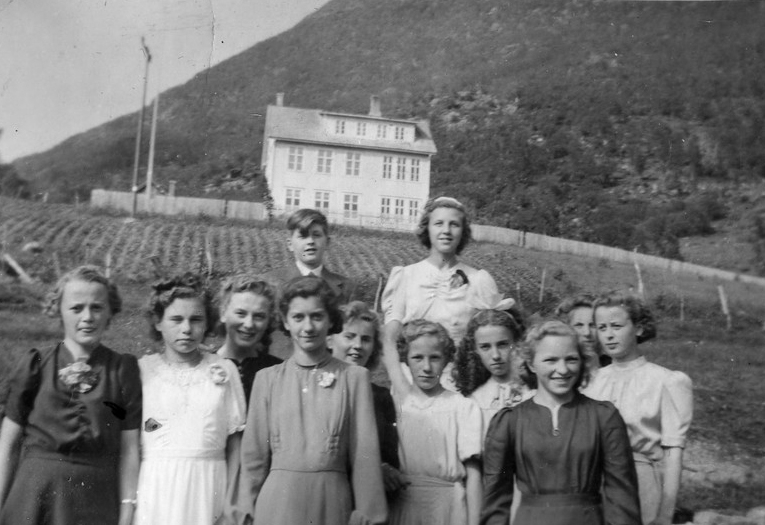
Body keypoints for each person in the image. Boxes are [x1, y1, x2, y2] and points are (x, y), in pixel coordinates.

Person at [235, 276, 386, 525]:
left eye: (317, 316)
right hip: (277, 503)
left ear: (330, 321)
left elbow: (365, 456)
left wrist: (369, 515)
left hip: (331, 500)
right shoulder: (267, 379)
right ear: (285, 321)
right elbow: (253, 459)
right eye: (298, 317)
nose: (308, 327)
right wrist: (244, 514)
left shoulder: (354, 377)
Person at [0, 265, 141, 525]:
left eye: (97, 307)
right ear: (59, 311)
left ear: (110, 312)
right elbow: (8, 444)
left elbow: (129, 449)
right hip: (34, 497)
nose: (87, 317)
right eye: (77, 308)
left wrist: (127, 510)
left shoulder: (122, 369)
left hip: (95, 501)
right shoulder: (37, 364)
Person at [481, 320, 641, 525]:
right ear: (531, 364)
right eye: (551, 360)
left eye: (571, 359)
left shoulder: (604, 417)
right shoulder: (509, 421)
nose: (563, 369)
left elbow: (622, 496)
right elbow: (495, 501)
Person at [135, 273, 246, 525]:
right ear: (157, 322)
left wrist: (229, 503)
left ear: (207, 323)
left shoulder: (224, 370)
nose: (186, 329)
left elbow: (235, 445)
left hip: (208, 486)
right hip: (156, 488)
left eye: (196, 320)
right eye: (176, 319)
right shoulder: (142, 370)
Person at [584, 291, 693, 525]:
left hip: (640, 483)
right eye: (602, 328)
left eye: (616, 326)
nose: (609, 335)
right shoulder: (591, 382)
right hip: (595, 483)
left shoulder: (666, 381)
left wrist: (665, 514)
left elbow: (673, 453)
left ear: (639, 328)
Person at [382, 196, 506, 390]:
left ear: (463, 231)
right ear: (427, 228)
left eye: (454, 224)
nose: (446, 231)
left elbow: (493, 342)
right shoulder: (406, 276)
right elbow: (389, 339)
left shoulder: (478, 279)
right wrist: (400, 386)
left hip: (460, 386)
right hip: (412, 384)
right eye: (439, 223)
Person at [382, 319, 483, 525]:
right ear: (406, 359)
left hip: (448, 507)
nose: (427, 367)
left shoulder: (463, 407)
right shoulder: (396, 406)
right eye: (417, 357)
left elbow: (473, 476)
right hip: (403, 505)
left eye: (435, 358)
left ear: (446, 360)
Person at [328, 301, 403, 495]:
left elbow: (390, 456)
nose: (358, 346)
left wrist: (385, 467)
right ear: (329, 340)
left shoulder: (380, 396)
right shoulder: (316, 388)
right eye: (349, 337)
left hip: (367, 496)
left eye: (366, 339)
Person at [264, 208, 356, 359]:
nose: (310, 241)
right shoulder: (271, 282)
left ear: (327, 242)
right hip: (279, 365)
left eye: (317, 235)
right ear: (290, 244)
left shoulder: (345, 287)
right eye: (303, 236)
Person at [453, 308, 534, 433]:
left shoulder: (533, 391)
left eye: (502, 345)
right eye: (485, 347)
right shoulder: (476, 401)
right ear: (475, 350)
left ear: (516, 342)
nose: (495, 355)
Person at [216, 274, 282, 404]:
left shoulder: (278, 370)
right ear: (223, 313)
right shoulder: (203, 366)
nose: (249, 324)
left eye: (259, 316)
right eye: (241, 313)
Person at [555, 293, 611, 368]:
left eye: (593, 325)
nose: (587, 333)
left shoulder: (612, 364)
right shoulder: (554, 364)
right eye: (579, 325)